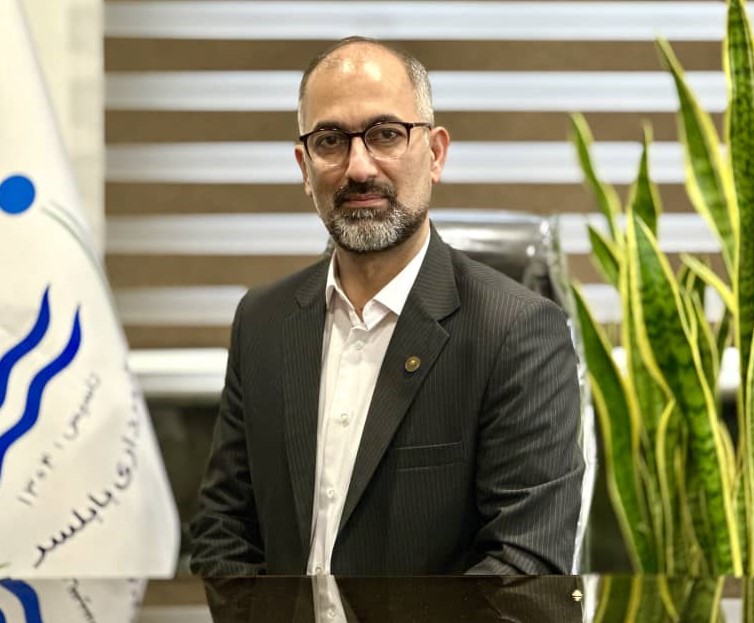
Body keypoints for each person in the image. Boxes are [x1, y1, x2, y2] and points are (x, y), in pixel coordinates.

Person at [189, 37, 584, 576]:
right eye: (331, 140)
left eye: (386, 134)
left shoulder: (518, 332)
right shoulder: (262, 321)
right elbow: (222, 534)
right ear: (305, 167)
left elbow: (522, 567)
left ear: (435, 153)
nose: (358, 167)